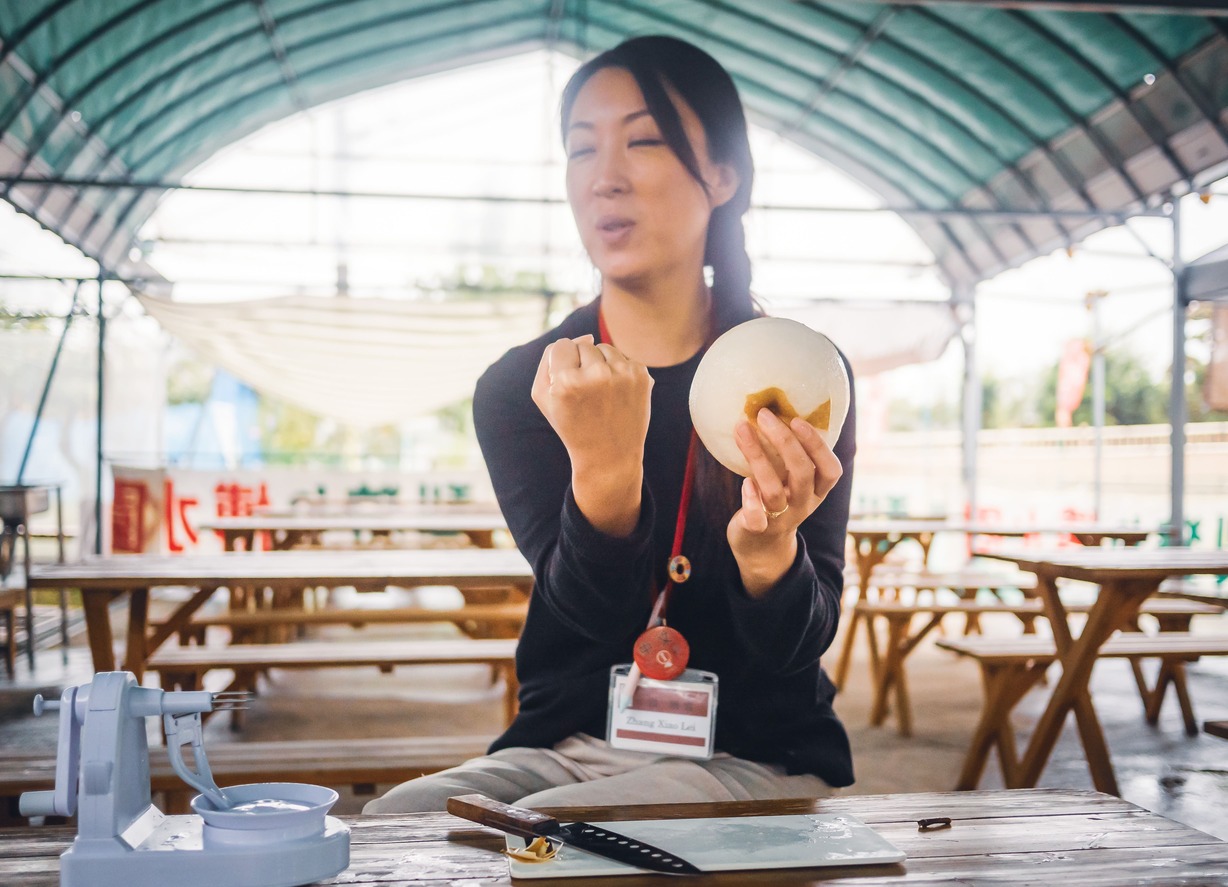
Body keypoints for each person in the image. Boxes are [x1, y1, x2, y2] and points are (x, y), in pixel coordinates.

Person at [364, 34, 855, 813]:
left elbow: (800, 642)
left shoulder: (799, 373)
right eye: (581, 148)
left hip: (758, 751)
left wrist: (769, 551)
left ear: (723, 175)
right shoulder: (526, 388)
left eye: (644, 140)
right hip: (566, 747)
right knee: (398, 821)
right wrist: (603, 471)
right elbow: (592, 618)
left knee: (573, 832)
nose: (605, 177)